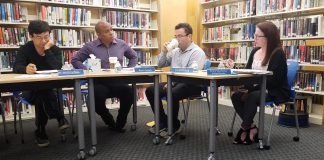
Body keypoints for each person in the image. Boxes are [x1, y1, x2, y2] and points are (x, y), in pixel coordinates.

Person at [71, 21, 138, 132]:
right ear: (99, 34)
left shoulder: (121, 44)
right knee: (95, 97)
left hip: (118, 81)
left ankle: (120, 122)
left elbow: (134, 57)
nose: (111, 33)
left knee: (129, 92)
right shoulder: (90, 46)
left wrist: (129, 69)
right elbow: (75, 60)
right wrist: (87, 71)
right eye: (107, 31)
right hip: (99, 82)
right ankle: (108, 120)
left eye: (111, 29)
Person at [231, 21, 290, 145]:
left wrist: (251, 90)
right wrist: (234, 67)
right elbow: (247, 72)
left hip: (274, 90)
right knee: (236, 96)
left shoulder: (278, 53)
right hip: (256, 88)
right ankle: (251, 127)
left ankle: (243, 128)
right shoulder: (255, 51)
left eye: (258, 36)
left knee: (252, 97)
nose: (255, 38)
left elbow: (273, 81)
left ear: (268, 37)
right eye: (255, 35)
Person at [13, 20, 70, 147]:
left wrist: (47, 50)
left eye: (46, 37)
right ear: (31, 36)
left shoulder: (54, 49)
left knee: (42, 94)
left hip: (50, 90)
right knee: (41, 91)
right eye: (39, 37)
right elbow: (16, 66)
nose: (43, 41)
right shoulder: (25, 49)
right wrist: (25, 69)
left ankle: (40, 132)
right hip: (29, 90)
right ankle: (60, 117)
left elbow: (57, 67)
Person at [145, 23, 206, 137]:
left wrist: (173, 82)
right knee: (150, 90)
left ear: (189, 36)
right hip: (174, 82)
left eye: (180, 36)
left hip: (192, 83)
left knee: (171, 93)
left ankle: (173, 125)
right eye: (175, 36)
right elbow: (160, 64)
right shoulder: (175, 52)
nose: (177, 39)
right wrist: (163, 51)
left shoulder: (197, 52)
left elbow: (192, 73)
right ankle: (163, 121)